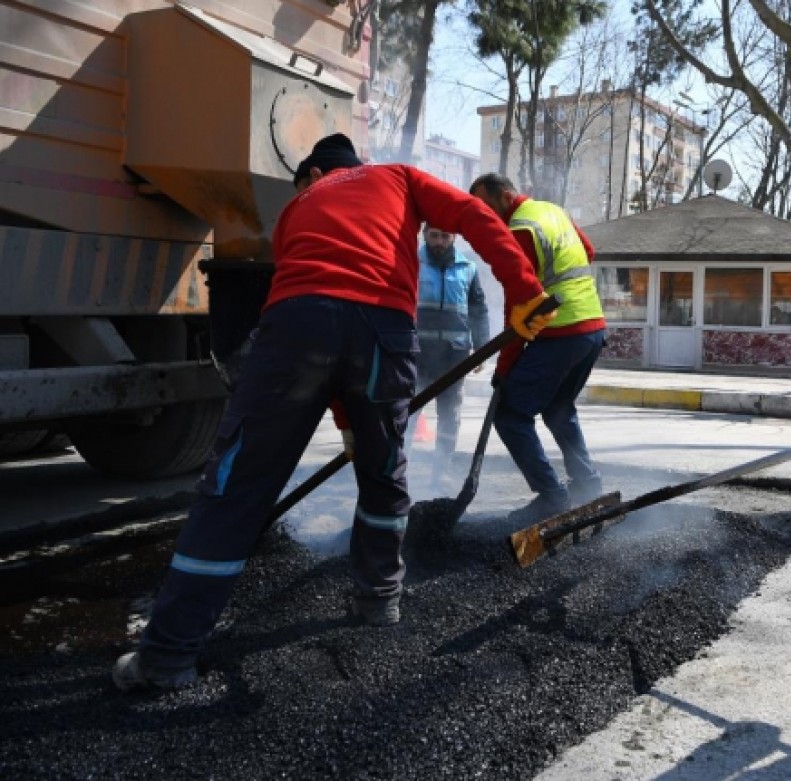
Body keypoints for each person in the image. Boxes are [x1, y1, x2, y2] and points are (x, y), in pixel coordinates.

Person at [112, 134, 555, 691]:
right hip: (384, 333)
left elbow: (323, 313)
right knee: (384, 470)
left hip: (297, 328)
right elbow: (472, 215)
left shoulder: (297, 208)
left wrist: (342, 413)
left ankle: (167, 656)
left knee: (237, 481)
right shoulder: (399, 177)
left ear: (316, 172)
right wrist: (526, 290)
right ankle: (380, 600)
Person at [468, 173, 607, 524]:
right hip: (591, 326)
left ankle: (551, 496)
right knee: (558, 407)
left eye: (485, 206)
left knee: (510, 415)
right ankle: (588, 484)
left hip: (561, 330)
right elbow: (587, 252)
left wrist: (504, 367)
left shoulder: (519, 229)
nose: (485, 216)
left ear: (503, 196)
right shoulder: (553, 211)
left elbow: (518, 304)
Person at [414, 223, 490, 489]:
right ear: (424, 236)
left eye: (444, 236)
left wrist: (481, 348)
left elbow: (478, 310)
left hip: (453, 357)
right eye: (434, 235)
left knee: (449, 417)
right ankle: (400, 471)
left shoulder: (468, 268)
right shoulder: (412, 263)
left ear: (454, 237)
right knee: (407, 414)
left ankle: (440, 472)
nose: (439, 241)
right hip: (417, 354)